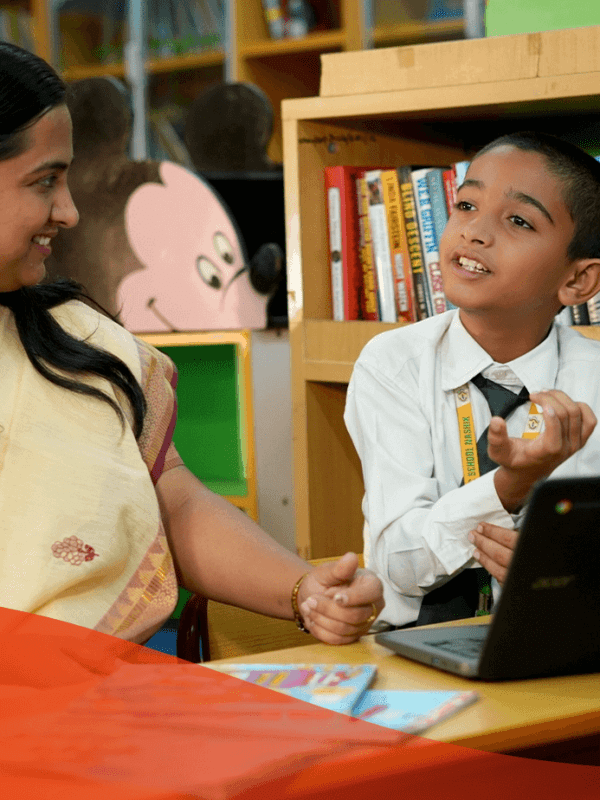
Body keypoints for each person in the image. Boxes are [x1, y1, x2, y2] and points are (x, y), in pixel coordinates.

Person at [0, 42, 383, 648]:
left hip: (105, 683)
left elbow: (172, 504)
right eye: (45, 181)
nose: (69, 212)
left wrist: (303, 589)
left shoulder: (82, 339)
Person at [345, 130, 600, 628]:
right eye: (466, 205)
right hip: (409, 647)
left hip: (555, 636)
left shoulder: (592, 380)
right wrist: (508, 487)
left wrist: (565, 571)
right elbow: (399, 565)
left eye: (519, 220)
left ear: (577, 280)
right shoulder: (393, 364)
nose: (475, 232)